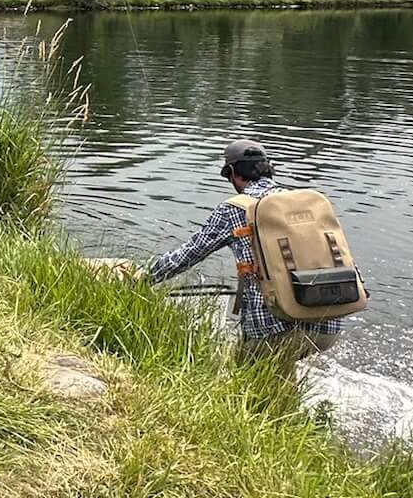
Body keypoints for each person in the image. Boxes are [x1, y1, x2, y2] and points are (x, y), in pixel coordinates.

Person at [146, 137, 343, 352]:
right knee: (281, 373)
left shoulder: (235, 208)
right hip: (328, 325)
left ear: (232, 172)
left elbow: (189, 254)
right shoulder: (302, 201)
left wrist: (144, 278)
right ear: (268, 169)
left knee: (243, 373)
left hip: (275, 328)